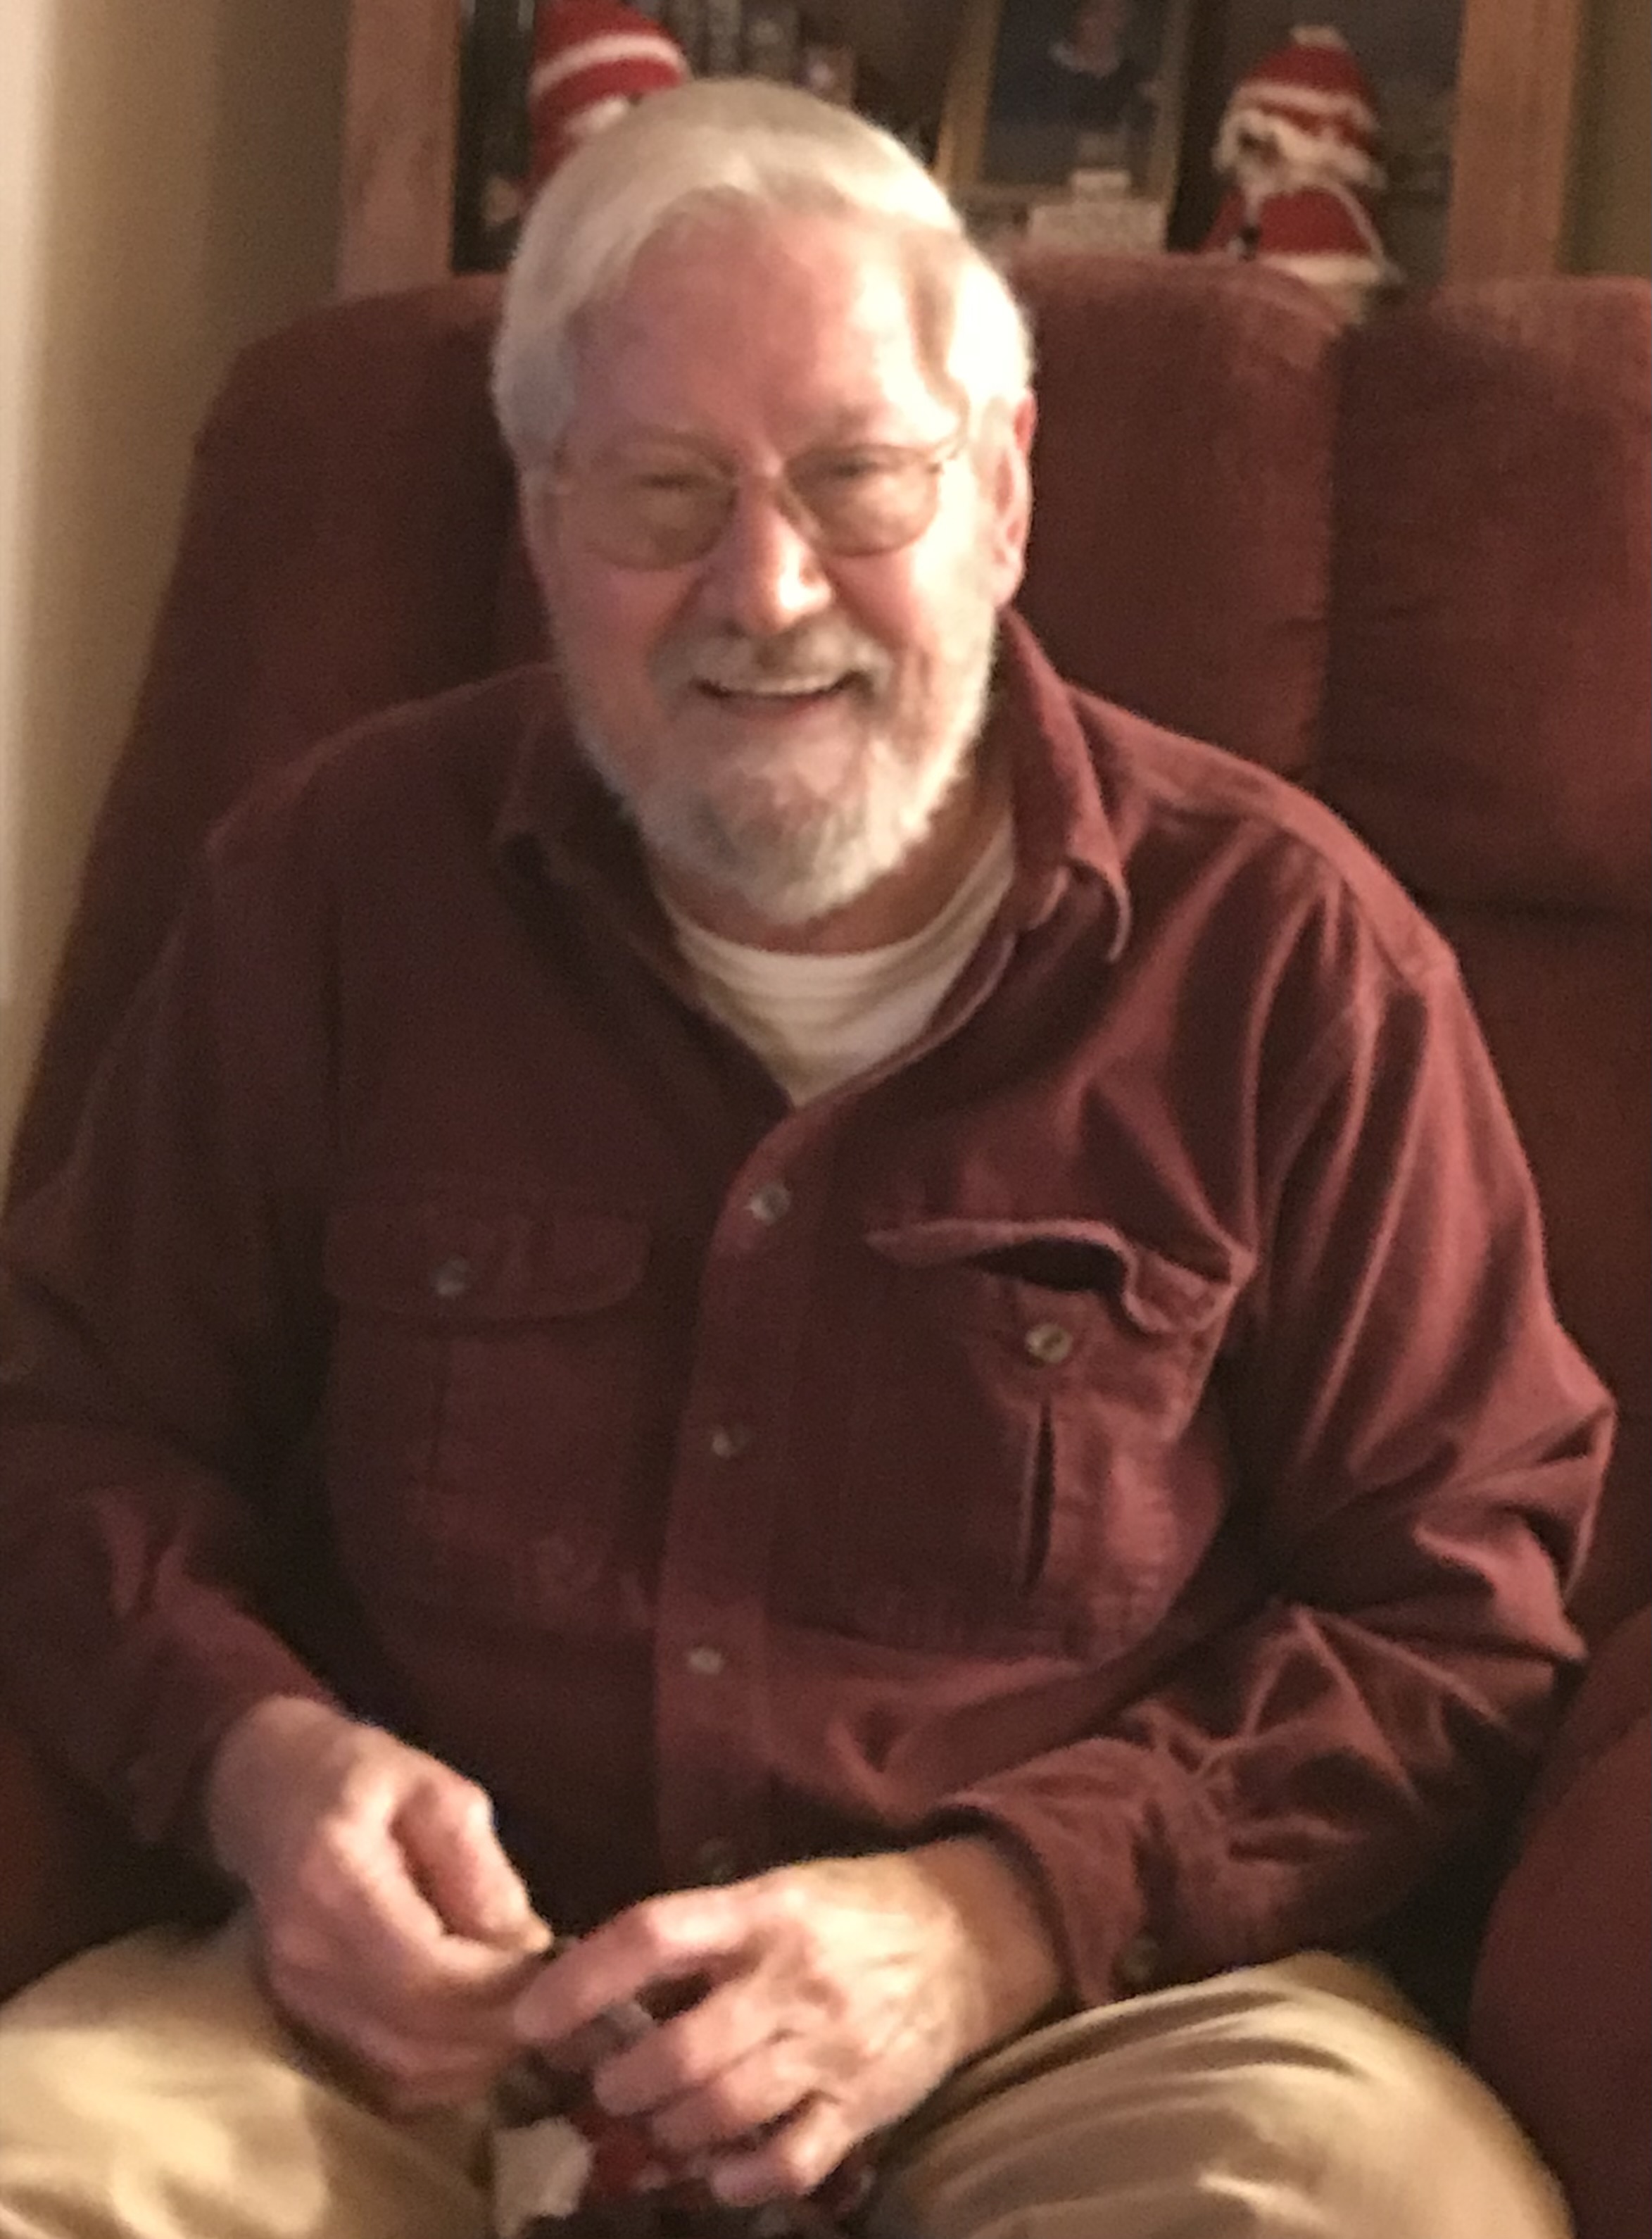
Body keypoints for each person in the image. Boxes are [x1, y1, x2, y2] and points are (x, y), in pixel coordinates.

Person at [0, 76, 1610, 2239]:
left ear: (1001, 492)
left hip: (1083, 2013)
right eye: (662, 492)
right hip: (397, 2025)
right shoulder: (331, 889)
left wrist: (990, 1917)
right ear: (543, 514)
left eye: (857, 478)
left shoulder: (1284, 956)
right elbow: (74, 1423)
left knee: (1372, 2207)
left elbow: (1458, 1607)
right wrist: (250, 1758)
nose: (764, 588)